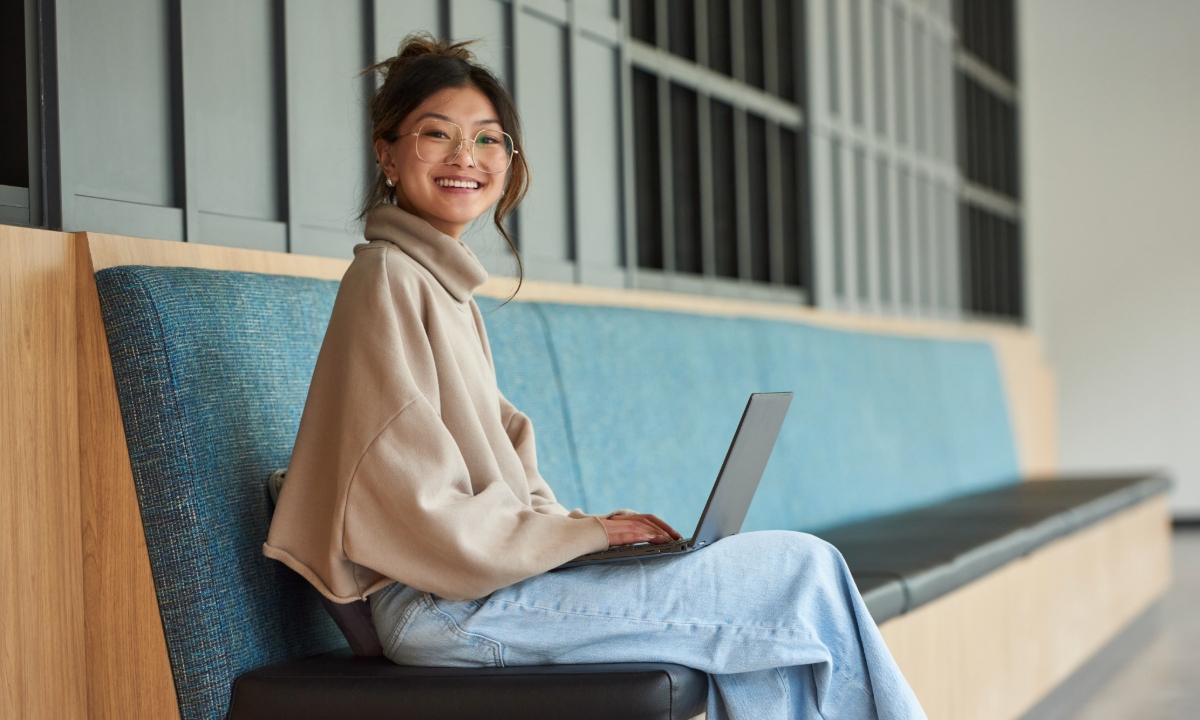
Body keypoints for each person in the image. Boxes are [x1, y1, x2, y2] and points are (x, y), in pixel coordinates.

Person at [264, 34, 926, 720]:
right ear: (387, 153)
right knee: (797, 572)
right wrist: (586, 537)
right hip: (449, 608)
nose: (467, 158)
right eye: (438, 135)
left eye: (489, 140)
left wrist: (585, 533)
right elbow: (412, 508)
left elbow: (503, 482)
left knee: (772, 630)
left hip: (482, 590)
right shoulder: (386, 281)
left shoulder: (441, 289)